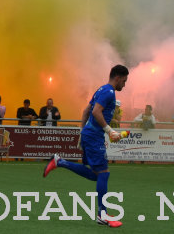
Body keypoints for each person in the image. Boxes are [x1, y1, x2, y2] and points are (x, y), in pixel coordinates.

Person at [43, 64, 129, 228]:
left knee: (97, 175)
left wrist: (82, 133)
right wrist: (109, 131)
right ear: (117, 77)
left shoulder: (100, 90)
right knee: (103, 174)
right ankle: (102, 215)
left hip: (90, 134)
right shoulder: (109, 92)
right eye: (124, 81)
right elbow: (96, 112)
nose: (124, 84)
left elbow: (85, 111)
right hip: (95, 136)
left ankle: (59, 162)